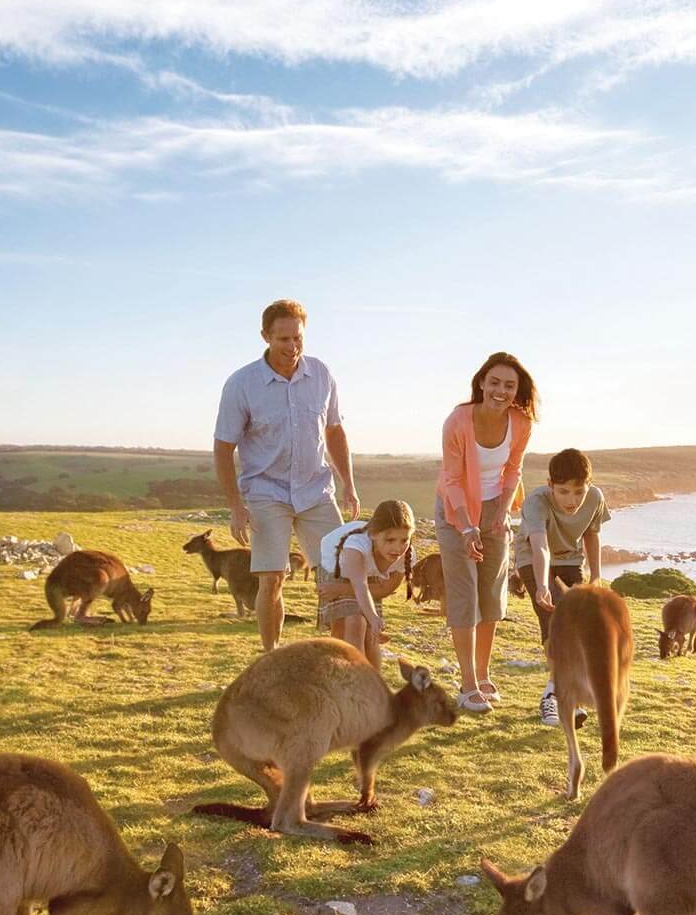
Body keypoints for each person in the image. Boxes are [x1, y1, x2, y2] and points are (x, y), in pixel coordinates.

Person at [213, 299, 358, 652]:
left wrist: (349, 486)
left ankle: (338, 656)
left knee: (339, 573)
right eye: (283, 339)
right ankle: (271, 656)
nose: (292, 347)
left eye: (298, 338)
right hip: (266, 492)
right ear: (265, 336)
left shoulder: (321, 374)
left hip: (315, 490)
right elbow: (222, 447)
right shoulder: (241, 384)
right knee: (272, 578)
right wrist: (236, 506)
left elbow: (335, 432)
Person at [435, 352, 535, 713]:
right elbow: (452, 479)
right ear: (481, 383)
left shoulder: (521, 422)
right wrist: (466, 526)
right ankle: (466, 685)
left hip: (496, 507)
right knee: (465, 592)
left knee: (491, 592)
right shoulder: (458, 421)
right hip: (455, 510)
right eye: (494, 383)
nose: (501, 391)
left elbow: (513, 470)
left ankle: (483, 671)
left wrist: (504, 509)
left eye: (509, 385)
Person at [517, 447, 612, 726]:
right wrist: (543, 586)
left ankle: (563, 694)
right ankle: (553, 696)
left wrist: (596, 576)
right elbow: (540, 547)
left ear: (588, 486)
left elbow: (592, 536)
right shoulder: (536, 502)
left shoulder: (595, 498)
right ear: (550, 486)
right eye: (563, 492)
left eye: (578, 491)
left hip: (571, 559)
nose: (572, 501)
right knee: (554, 622)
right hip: (533, 558)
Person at [315, 500, 414, 669]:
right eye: (390, 540)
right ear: (374, 534)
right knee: (353, 623)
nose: (397, 548)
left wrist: (340, 590)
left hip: (368, 571)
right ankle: (353, 680)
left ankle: (374, 687)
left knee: (370, 634)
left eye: (404, 540)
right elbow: (360, 586)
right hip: (337, 568)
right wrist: (373, 617)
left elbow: (386, 588)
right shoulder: (355, 546)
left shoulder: (406, 555)